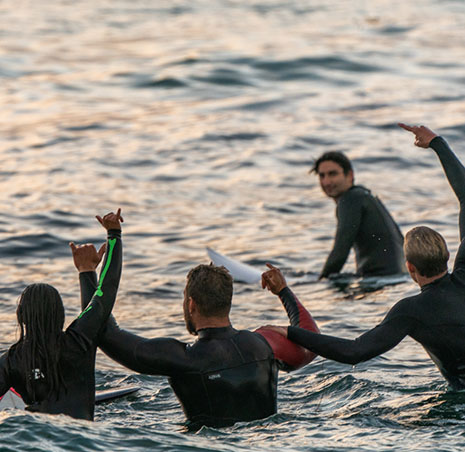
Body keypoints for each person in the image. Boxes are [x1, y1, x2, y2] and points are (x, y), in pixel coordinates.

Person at [266, 124, 465, 390]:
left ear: (410, 268)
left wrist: (290, 331)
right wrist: (437, 143)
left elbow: (354, 352)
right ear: (449, 255)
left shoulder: (410, 311)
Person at [71, 246, 319, 430]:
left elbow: (103, 332)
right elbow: (311, 341)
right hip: (267, 445)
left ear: (191, 305)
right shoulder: (265, 344)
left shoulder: (181, 359)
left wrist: (87, 272)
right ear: (227, 303)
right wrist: (283, 292)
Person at [0, 209, 123, 420]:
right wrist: (114, 236)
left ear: (21, 317)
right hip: (83, 440)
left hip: (31, 437)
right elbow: (107, 290)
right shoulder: (79, 340)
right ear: (60, 314)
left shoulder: (11, 360)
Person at [311, 149, 406, 278]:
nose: (326, 182)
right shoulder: (364, 196)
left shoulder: (350, 199)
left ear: (349, 175)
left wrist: (320, 282)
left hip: (380, 278)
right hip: (399, 276)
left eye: (332, 174)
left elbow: (340, 252)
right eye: (322, 176)